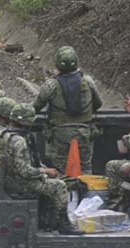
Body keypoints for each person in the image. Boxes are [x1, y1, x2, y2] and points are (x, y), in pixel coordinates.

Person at [0, 103, 82, 235]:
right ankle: (64, 225)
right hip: (21, 184)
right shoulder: (19, 141)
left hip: (8, 180)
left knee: (52, 181)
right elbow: (24, 171)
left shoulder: (4, 135)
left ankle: (47, 220)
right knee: (60, 186)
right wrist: (45, 172)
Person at [29, 45, 103, 174]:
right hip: (84, 133)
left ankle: (63, 192)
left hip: (59, 134)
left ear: (57, 63)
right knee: (86, 169)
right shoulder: (88, 81)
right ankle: (88, 192)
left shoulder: (51, 85)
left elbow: (34, 108)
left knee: (61, 170)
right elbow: (98, 103)